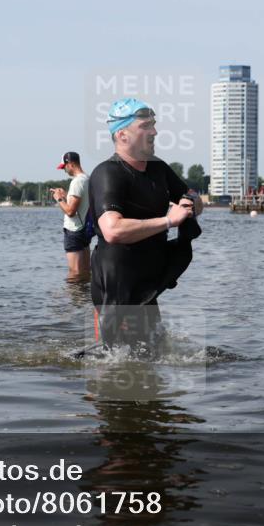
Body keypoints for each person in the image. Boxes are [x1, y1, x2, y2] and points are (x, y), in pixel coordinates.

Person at [88, 98, 203, 349]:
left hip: (148, 281)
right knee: (115, 364)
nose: (154, 131)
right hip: (117, 285)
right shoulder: (107, 173)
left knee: (153, 357)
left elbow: (194, 197)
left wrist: (189, 201)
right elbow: (112, 230)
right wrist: (168, 220)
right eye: (146, 126)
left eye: (153, 124)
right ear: (122, 134)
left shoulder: (158, 168)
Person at [49, 152, 93, 281]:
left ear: (71, 164)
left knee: (75, 273)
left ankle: (73, 300)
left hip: (74, 231)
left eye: (64, 167)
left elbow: (70, 212)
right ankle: (83, 300)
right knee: (85, 271)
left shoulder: (77, 182)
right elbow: (82, 203)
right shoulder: (87, 178)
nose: (64, 170)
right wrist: (66, 195)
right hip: (84, 230)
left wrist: (58, 199)